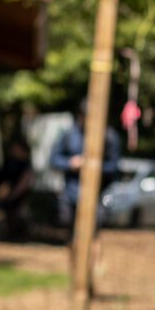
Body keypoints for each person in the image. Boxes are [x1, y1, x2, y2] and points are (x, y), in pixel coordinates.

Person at [49, 100, 121, 236]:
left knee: (94, 233)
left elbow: (114, 167)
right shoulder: (69, 135)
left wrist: (93, 167)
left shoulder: (109, 137)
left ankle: (94, 257)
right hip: (71, 193)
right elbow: (54, 160)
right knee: (71, 232)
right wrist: (70, 163)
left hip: (99, 193)